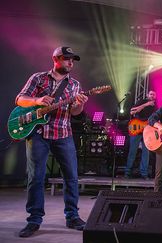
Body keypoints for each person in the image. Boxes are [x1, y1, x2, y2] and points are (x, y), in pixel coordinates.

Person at [15, 46, 87, 237]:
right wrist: (38, 100)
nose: (71, 62)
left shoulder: (75, 85)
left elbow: (74, 112)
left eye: (73, 59)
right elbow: (20, 99)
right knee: (36, 178)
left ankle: (72, 216)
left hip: (63, 133)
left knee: (71, 177)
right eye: (67, 59)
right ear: (56, 59)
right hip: (38, 132)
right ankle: (34, 220)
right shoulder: (38, 78)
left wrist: (78, 106)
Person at [124, 90, 157, 179]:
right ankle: (127, 172)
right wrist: (146, 104)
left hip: (148, 131)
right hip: (137, 128)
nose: (152, 96)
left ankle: (144, 174)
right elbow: (132, 112)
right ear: (147, 95)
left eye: (154, 95)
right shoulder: (142, 102)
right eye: (151, 94)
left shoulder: (156, 107)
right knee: (132, 151)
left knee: (146, 153)